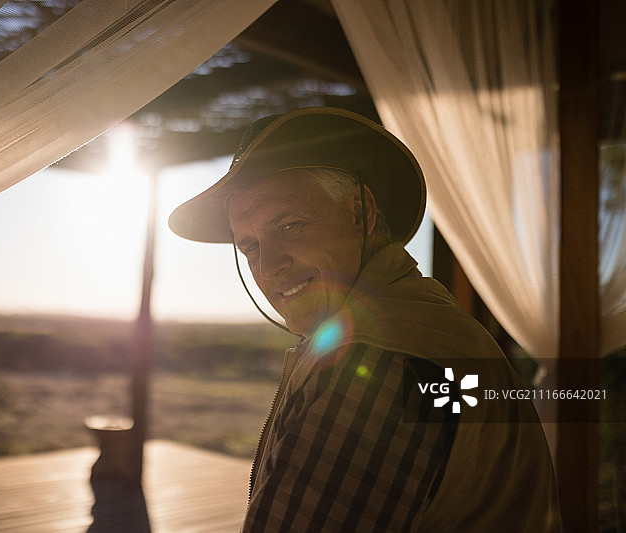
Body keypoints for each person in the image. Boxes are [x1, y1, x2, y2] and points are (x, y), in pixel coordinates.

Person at [168, 107, 562, 532]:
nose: (267, 267)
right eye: (249, 246)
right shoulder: (426, 320)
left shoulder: (374, 360)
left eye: (289, 225)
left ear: (361, 212)